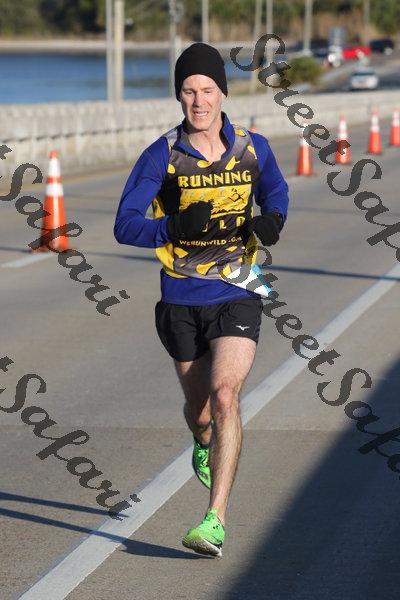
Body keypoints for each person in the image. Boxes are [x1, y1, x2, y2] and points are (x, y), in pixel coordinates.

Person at [114, 42, 289, 557]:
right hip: (180, 299)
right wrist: (171, 225)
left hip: (238, 287)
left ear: (222, 93)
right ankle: (202, 439)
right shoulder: (161, 155)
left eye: (207, 89)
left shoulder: (253, 148)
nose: (199, 101)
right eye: (189, 91)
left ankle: (214, 521)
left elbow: (276, 193)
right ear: (179, 96)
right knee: (202, 411)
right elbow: (125, 224)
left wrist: (273, 220)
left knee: (226, 395)